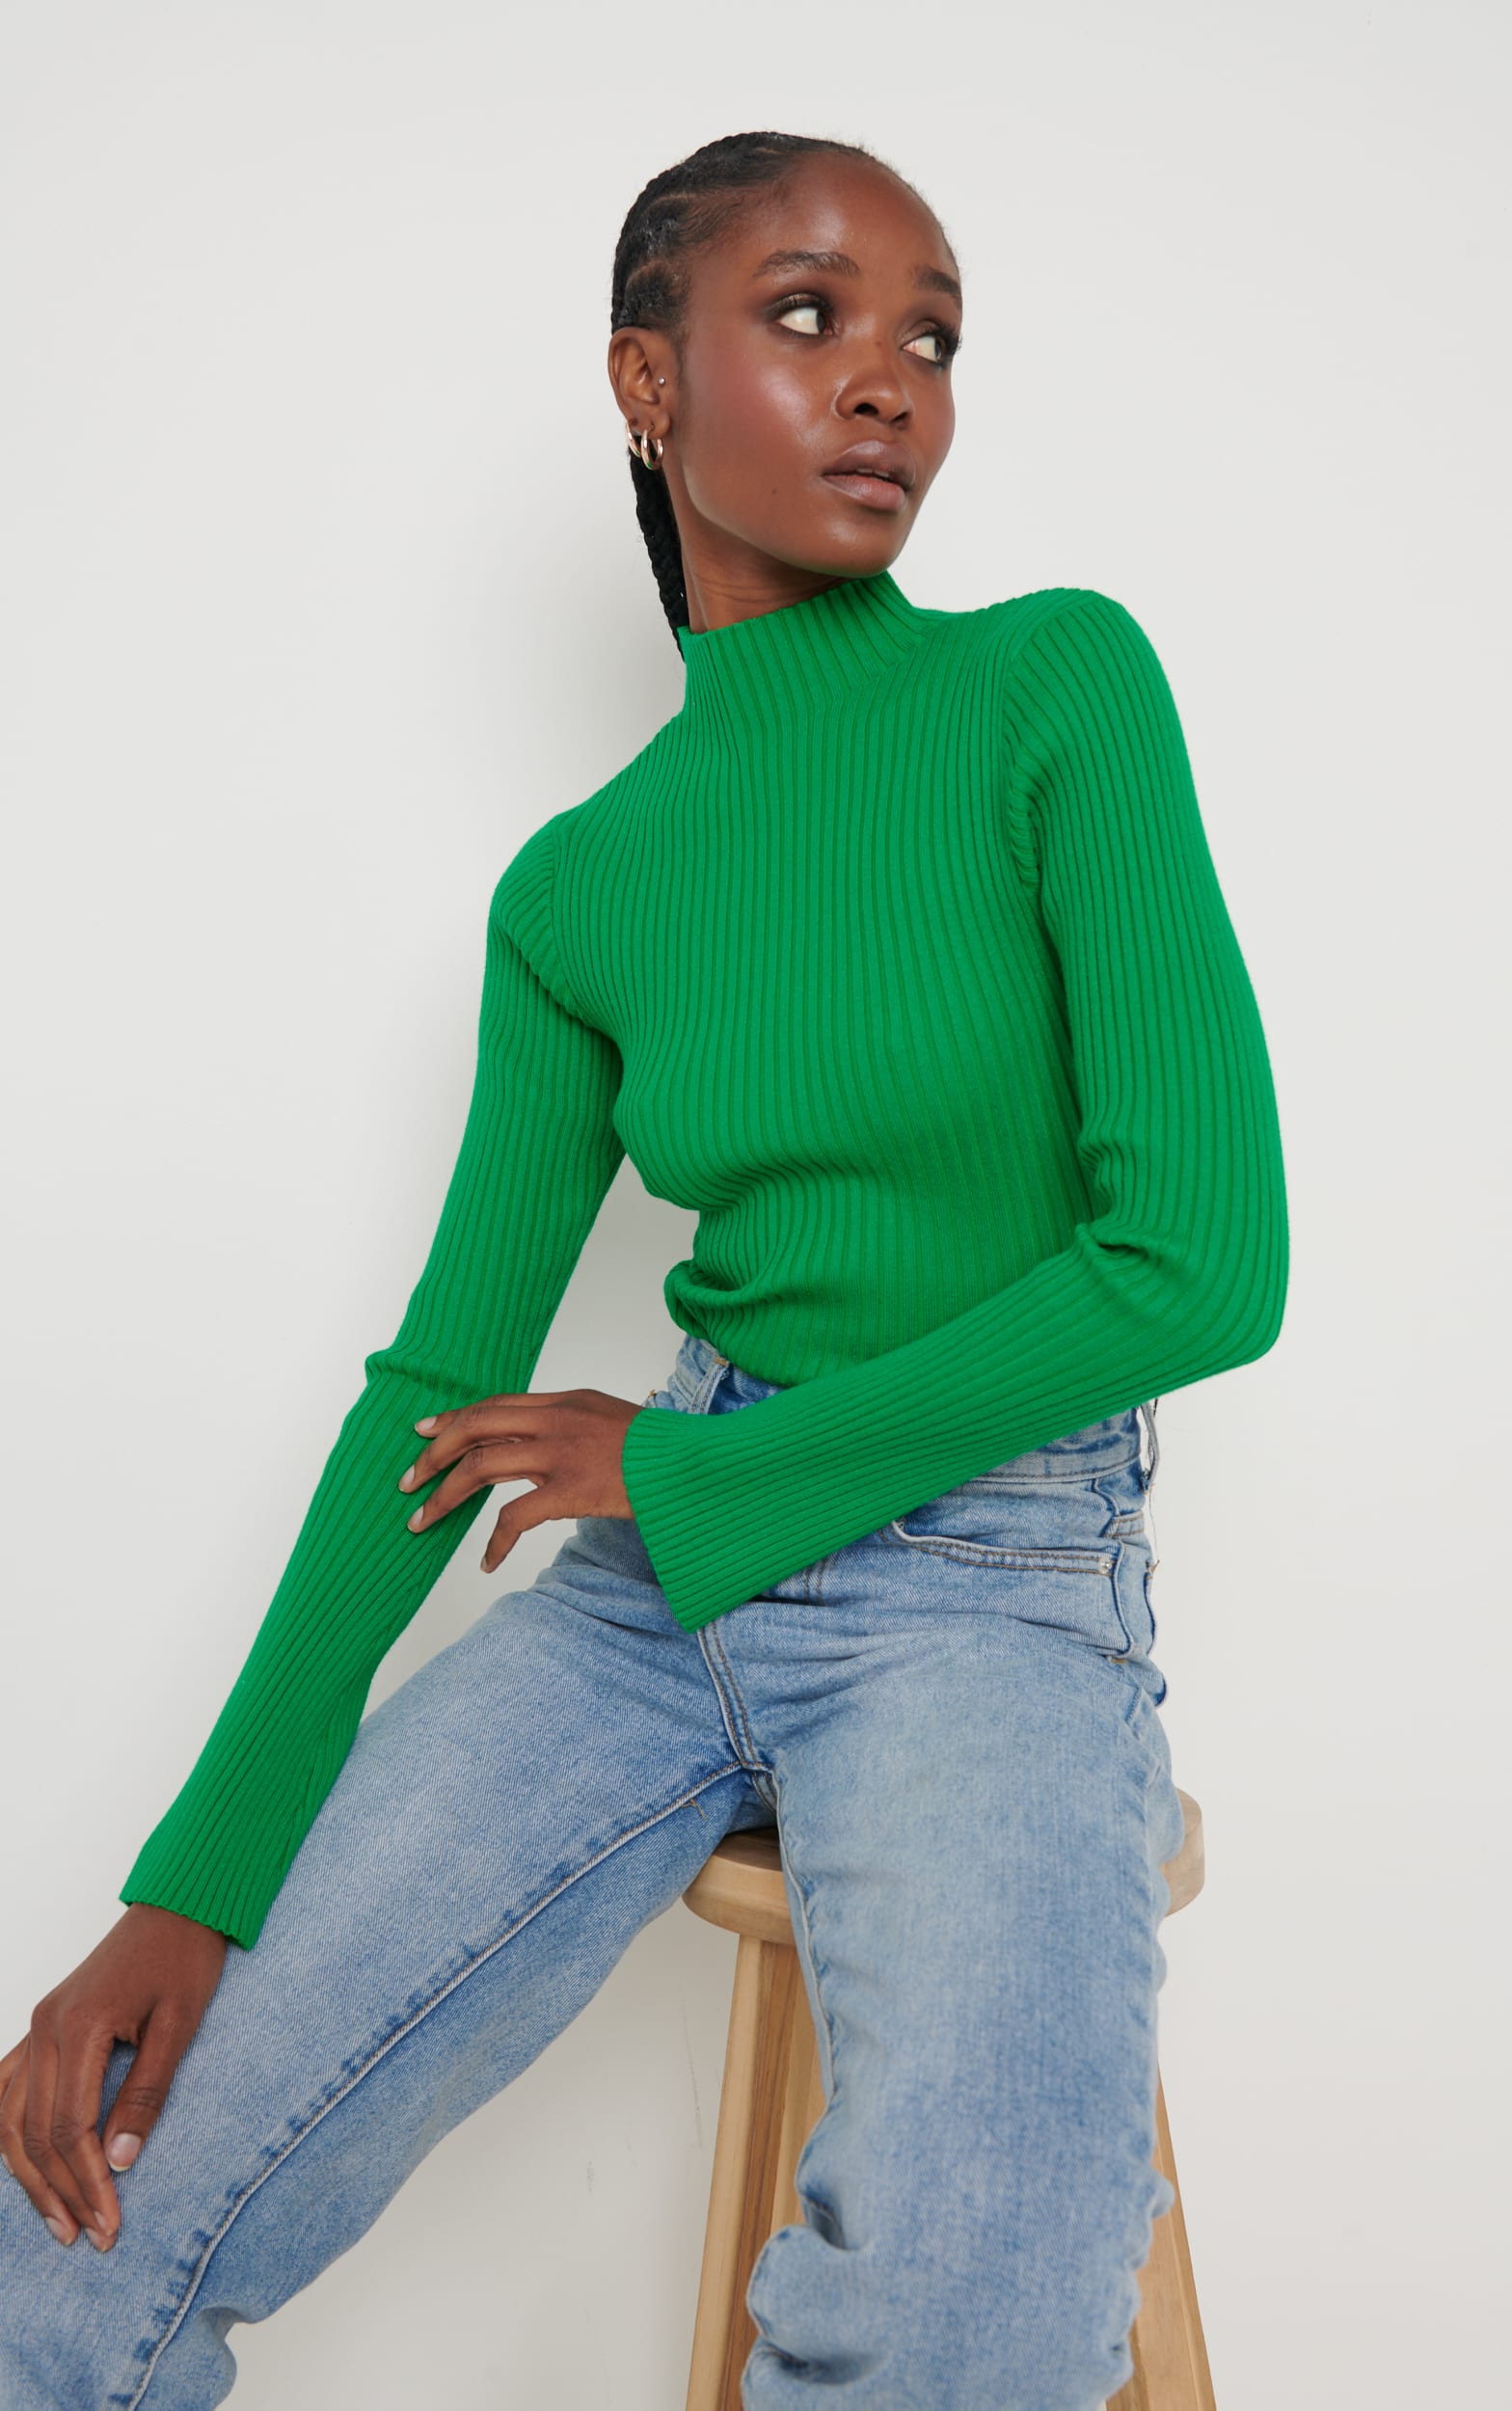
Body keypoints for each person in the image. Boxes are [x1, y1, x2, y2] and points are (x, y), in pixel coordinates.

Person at [0, 128, 1287, 2410]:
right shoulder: (582, 885)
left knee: (969, 2330)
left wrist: (686, 1483)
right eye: (807, 314)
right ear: (646, 380)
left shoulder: (1056, 687)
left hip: (988, 1574)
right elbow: (436, 1385)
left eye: (929, 336)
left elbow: (1201, 1264)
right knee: (75, 2214)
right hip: (648, 1597)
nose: (887, 378)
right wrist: (191, 1880)